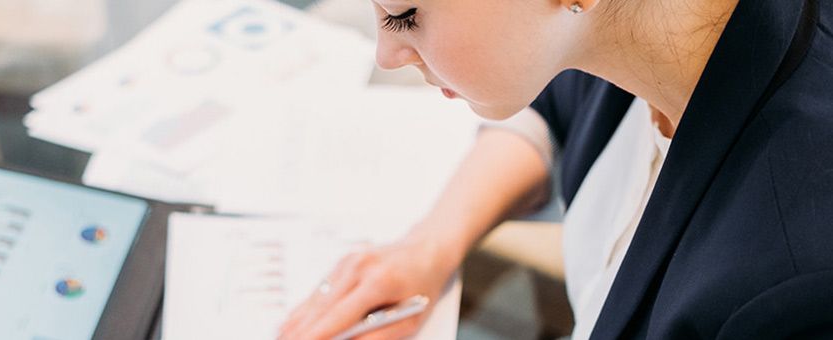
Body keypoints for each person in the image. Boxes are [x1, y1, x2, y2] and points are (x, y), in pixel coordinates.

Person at [278, 0, 833, 338]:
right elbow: (558, 104)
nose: (388, 52)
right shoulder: (645, 25)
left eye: (405, 15)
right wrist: (433, 243)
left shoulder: (795, 284)